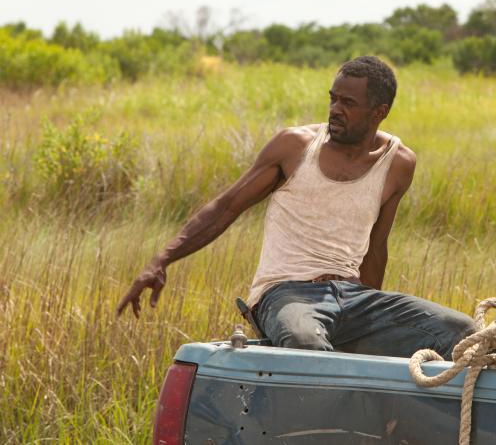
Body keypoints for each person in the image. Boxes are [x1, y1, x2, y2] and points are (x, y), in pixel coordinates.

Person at [116, 56, 475, 359]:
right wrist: (161, 260)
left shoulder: (398, 164)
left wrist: (369, 316)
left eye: (348, 104)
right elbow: (226, 207)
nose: (335, 109)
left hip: (353, 296)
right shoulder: (295, 147)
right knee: (306, 343)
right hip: (285, 293)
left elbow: (376, 247)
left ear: (379, 112)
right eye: (333, 99)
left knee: (460, 331)